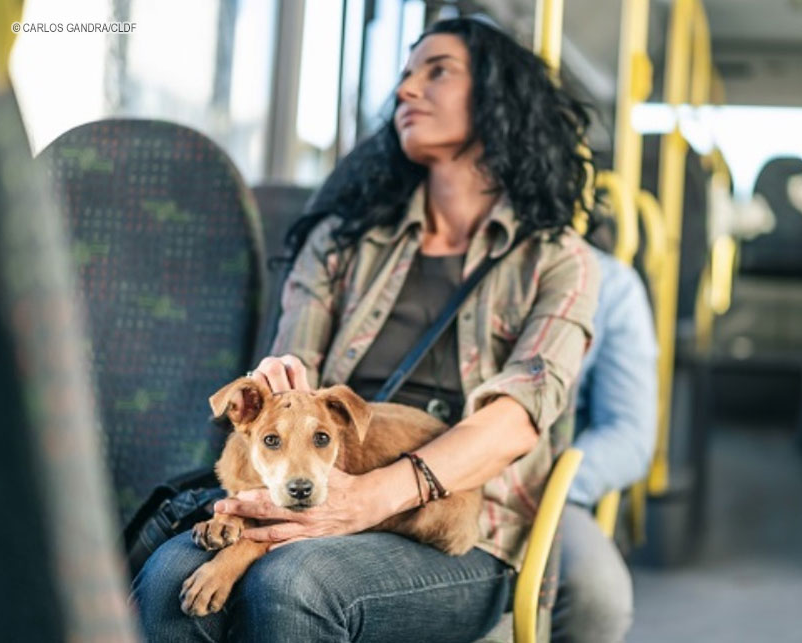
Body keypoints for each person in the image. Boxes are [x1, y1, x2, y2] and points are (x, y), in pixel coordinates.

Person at [132, 17, 600, 643]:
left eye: (437, 71)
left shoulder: (558, 260)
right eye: (406, 75)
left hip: (457, 529)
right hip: (321, 472)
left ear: (499, 99)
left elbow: (514, 420)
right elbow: (295, 357)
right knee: (168, 581)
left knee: (293, 584)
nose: (407, 90)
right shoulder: (343, 239)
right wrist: (278, 379)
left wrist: (373, 496)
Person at [551, 241, 658, 642]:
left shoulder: (610, 284)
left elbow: (629, 433)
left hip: (542, 480)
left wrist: (550, 485)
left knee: (599, 595)